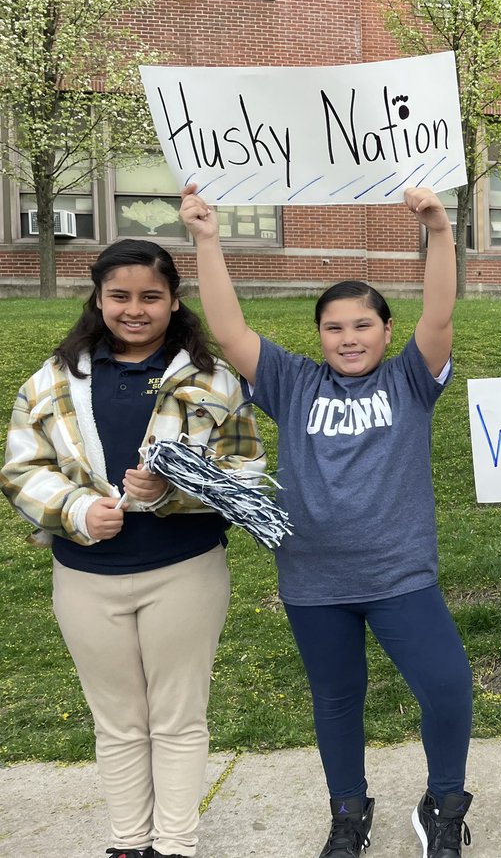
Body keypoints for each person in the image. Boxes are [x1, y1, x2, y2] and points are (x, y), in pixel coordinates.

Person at [179, 183, 474, 858]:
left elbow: (439, 315)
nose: (348, 338)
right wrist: (206, 239)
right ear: (319, 335)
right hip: (314, 578)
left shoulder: (410, 380)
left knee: (448, 686)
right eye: (335, 327)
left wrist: (438, 230)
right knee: (337, 699)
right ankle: (349, 813)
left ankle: (445, 804)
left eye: (363, 325)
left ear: (386, 331)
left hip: (399, 572)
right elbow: (229, 330)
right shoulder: (294, 383)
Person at [0, 240, 265, 858]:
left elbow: (247, 473)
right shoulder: (53, 378)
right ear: (98, 299)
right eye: (120, 296)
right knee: (118, 721)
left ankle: (174, 844)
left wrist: (177, 487)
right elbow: (20, 467)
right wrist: (76, 510)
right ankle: (127, 843)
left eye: (151, 296)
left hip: (184, 570)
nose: (135, 309)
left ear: (175, 301)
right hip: (86, 576)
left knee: (177, 717)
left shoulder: (212, 379)